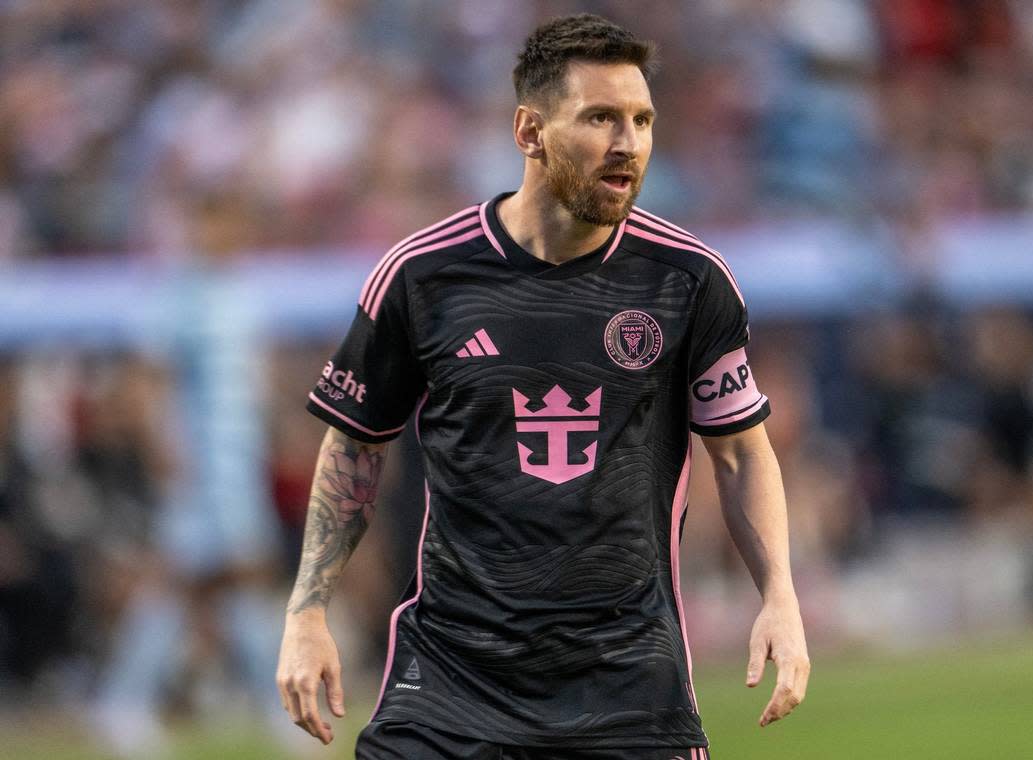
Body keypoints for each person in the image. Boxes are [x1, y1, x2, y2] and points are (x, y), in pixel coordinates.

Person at [277, 14, 809, 759]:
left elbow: (741, 455)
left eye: (642, 120)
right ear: (530, 132)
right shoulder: (423, 276)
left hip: (628, 692)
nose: (629, 143)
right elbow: (355, 447)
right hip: (450, 689)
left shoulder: (689, 282)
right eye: (600, 118)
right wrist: (307, 612)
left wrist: (779, 596)